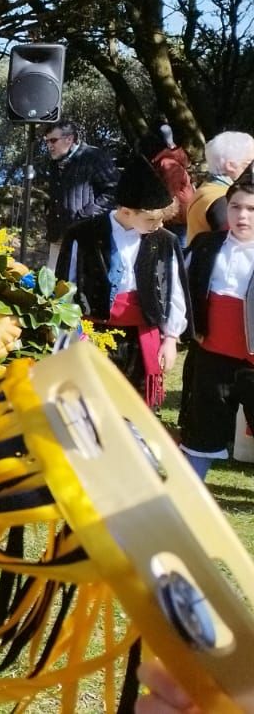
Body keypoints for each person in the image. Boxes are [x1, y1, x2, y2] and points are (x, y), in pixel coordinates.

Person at [58, 155, 188, 409]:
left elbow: (174, 292)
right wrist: (69, 333)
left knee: (136, 407)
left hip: (142, 336)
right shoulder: (82, 234)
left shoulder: (164, 240)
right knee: (91, 402)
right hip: (93, 332)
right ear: (126, 212)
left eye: (162, 219)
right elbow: (67, 285)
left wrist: (171, 338)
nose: (158, 225)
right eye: (151, 219)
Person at [178, 172, 254, 481]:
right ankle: (186, 497)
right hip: (212, 358)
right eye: (235, 207)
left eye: (252, 209)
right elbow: (181, 290)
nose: (242, 216)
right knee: (202, 431)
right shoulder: (206, 245)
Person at [40, 121, 120, 269]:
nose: (49, 146)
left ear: (69, 139)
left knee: (80, 285)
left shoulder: (94, 157)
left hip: (87, 237)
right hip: (58, 236)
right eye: (47, 141)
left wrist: (85, 214)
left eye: (53, 140)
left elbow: (114, 192)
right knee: (52, 285)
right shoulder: (54, 163)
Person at [187, 130, 254, 241]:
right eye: (249, 163)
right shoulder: (223, 199)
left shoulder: (207, 189)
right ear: (231, 166)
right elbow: (236, 243)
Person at [140, 122, 194, 243]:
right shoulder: (169, 160)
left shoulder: (167, 163)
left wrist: (158, 215)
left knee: (179, 254)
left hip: (176, 219)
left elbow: (170, 194)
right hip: (179, 217)